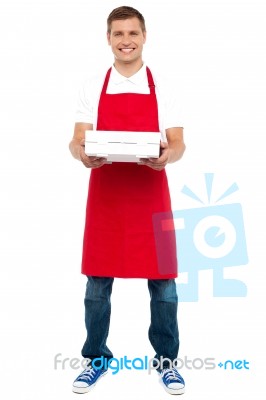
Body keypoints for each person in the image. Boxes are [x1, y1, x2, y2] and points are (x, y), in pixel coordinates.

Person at [69, 5, 186, 396]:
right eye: (118, 34)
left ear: (144, 36)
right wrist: (82, 153)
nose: (126, 41)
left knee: (163, 283)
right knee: (97, 284)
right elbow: (77, 138)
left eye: (132, 33)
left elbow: (179, 141)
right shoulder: (91, 85)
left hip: (151, 194)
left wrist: (168, 155)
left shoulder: (164, 85)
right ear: (108, 38)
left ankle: (167, 362)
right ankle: (96, 359)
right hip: (106, 196)